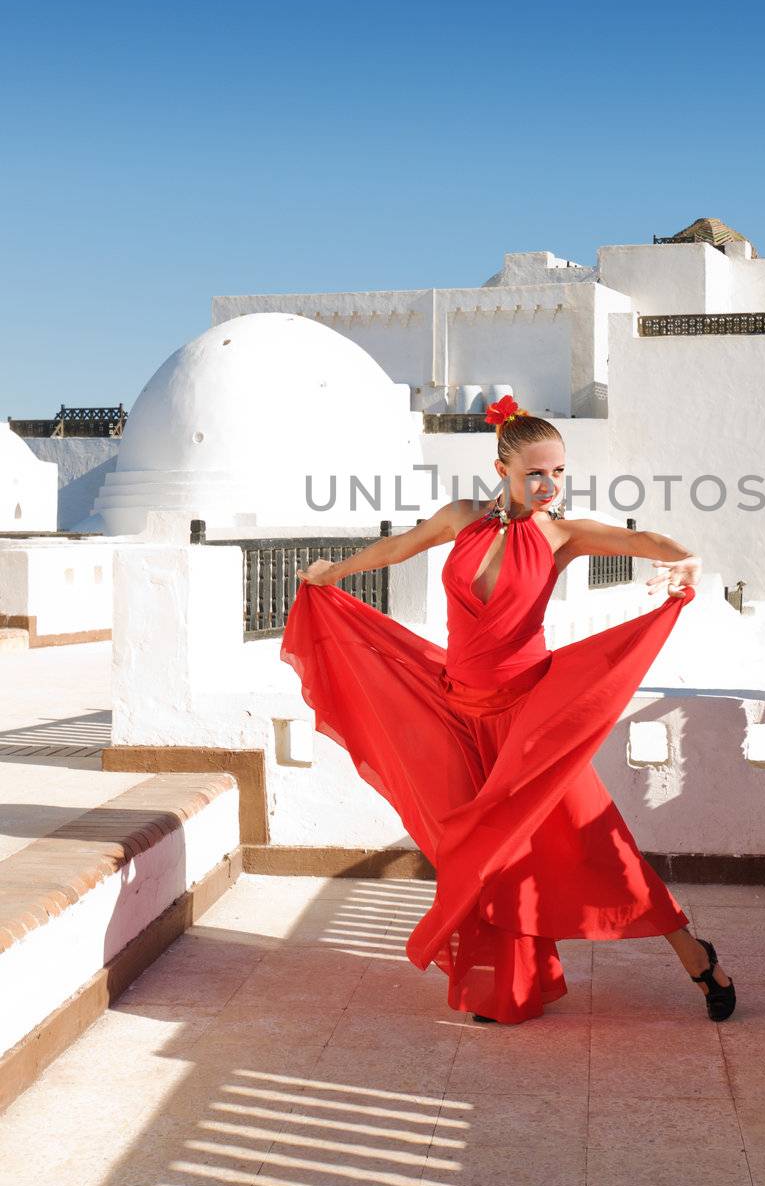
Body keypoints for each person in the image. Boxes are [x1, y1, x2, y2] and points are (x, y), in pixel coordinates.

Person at [280, 395, 736, 1026]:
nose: (549, 486)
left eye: (558, 473)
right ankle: (511, 986)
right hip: (457, 707)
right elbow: (396, 551)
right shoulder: (459, 519)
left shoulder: (562, 535)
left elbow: (643, 539)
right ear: (502, 468)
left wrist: (686, 556)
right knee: (491, 854)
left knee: (600, 844)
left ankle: (698, 958)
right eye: (535, 473)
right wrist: (333, 573)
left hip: (531, 717)